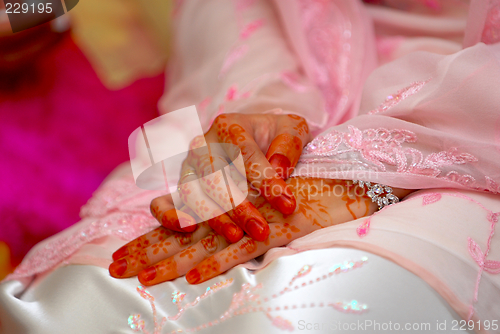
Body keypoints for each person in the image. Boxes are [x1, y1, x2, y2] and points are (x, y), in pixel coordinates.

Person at [1, 0, 500, 333]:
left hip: (475, 134)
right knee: (91, 298)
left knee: (313, 303)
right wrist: (264, 118)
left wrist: (369, 167)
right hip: (290, 104)